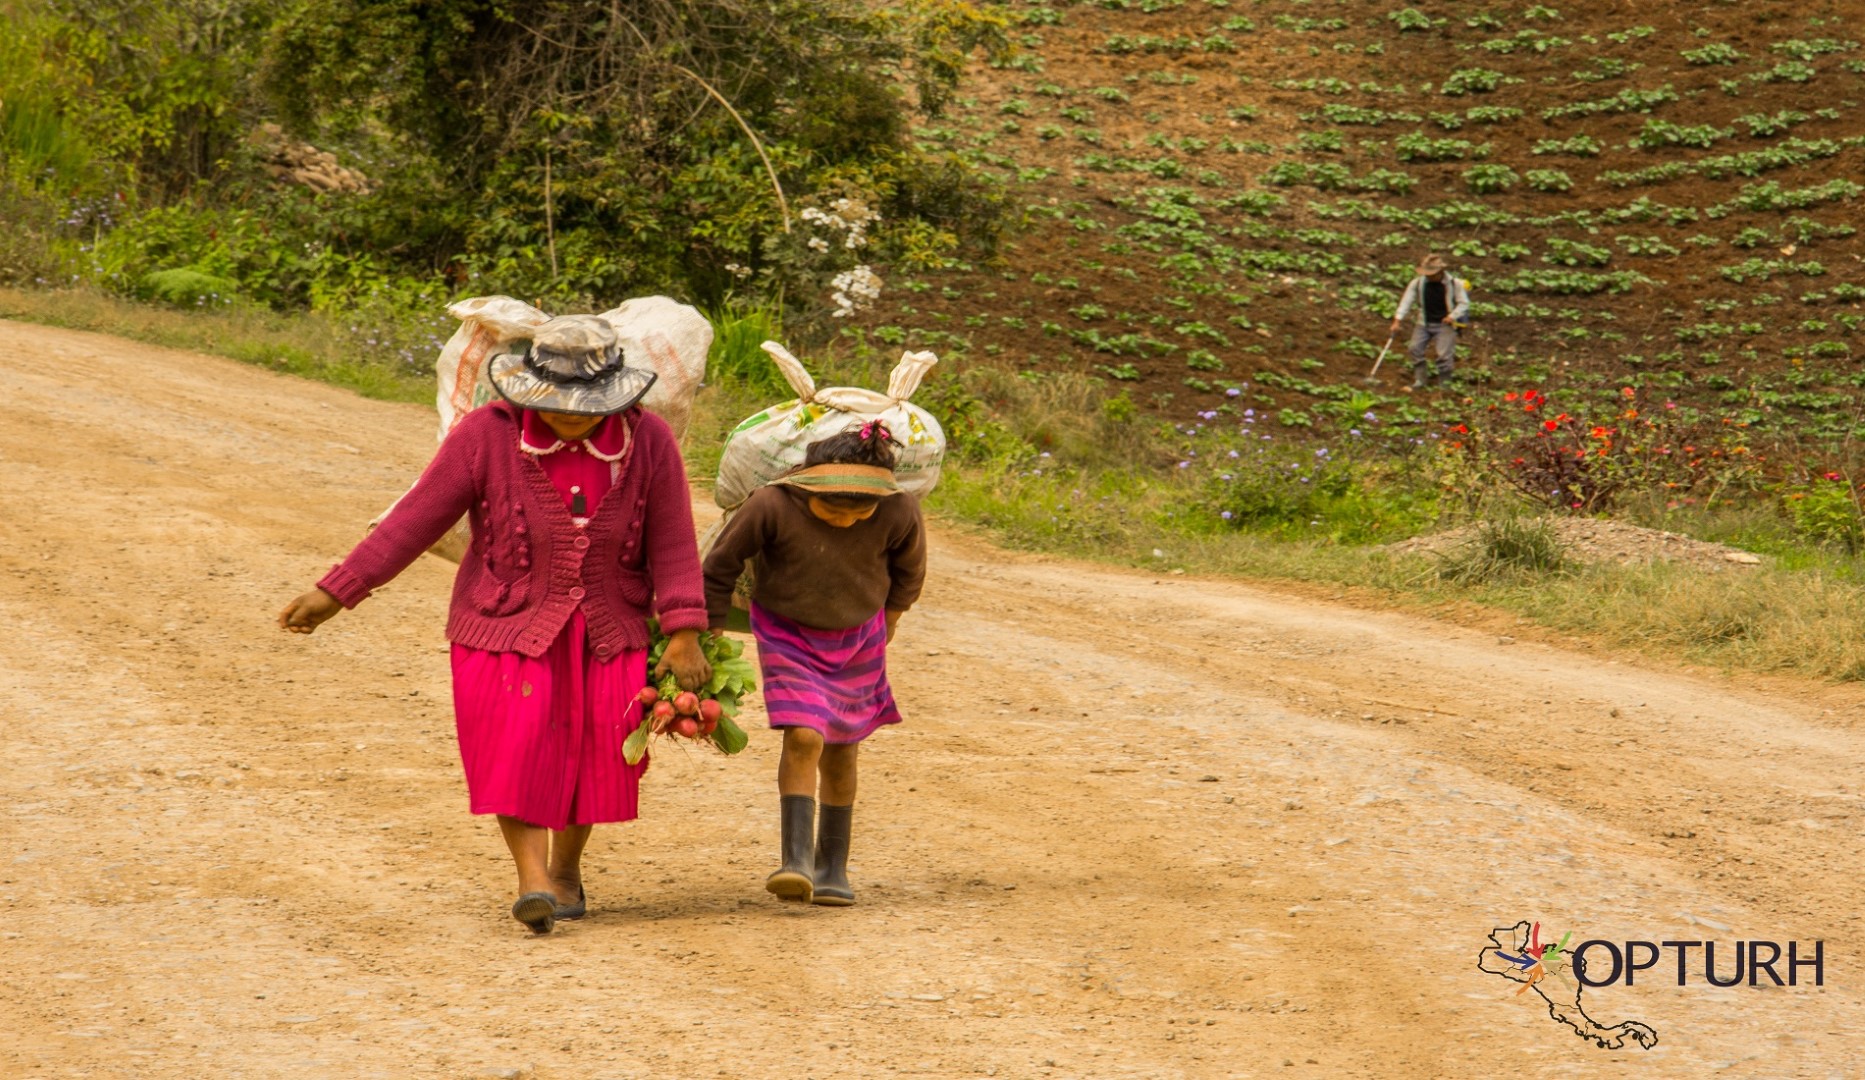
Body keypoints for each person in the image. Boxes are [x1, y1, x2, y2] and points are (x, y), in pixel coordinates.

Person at [277, 315, 712, 935]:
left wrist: (685, 630)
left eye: (586, 407)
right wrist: (339, 590)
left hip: (605, 629)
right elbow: (415, 518)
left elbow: (673, 541)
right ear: (527, 388)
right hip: (503, 625)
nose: (570, 415)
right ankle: (531, 879)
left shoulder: (650, 443)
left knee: (589, 752)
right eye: (556, 403)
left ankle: (565, 870)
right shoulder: (486, 435)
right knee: (516, 747)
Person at [701, 421, 926, 906]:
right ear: (805, 485)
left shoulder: (899, 510)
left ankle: (831, 868)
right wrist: (711, 629)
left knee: (843, 749)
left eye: (859, 512)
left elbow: (909, 571)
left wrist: (892, 616)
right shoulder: (771, 505)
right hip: (787, 632)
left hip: (860, 635)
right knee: (804, 734)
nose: (845, 521)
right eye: (831, 509)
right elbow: (719, 565)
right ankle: (795, 861)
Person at [1389, 254, 1470, 391]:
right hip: (1424, 322)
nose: (1429, 277)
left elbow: (1464, 303)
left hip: (1445, 324)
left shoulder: (1454, 284)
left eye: (1432, 274)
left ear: (1440, 272)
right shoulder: (1418, 283)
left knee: (1444, 355)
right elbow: (1406, 301)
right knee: (1414, 348)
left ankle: (1445, 385)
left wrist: (1452, 316)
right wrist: (1397, 320)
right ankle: (1420, 379)